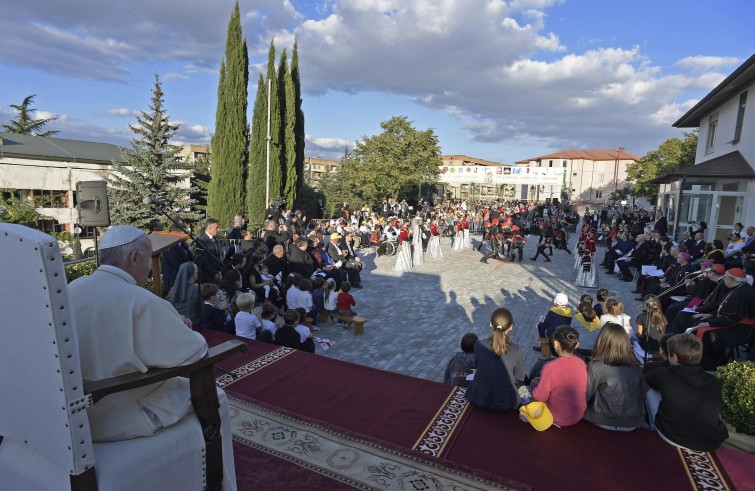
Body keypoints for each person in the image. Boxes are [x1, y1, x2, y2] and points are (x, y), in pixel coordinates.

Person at [67, 226, 237, 489]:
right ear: (134, 258)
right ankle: (219, 482)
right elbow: (195, 352)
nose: (150, 270)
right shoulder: (139, 299)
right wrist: (180, 326)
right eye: (148, 259)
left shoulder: (72, 288)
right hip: (122, 415)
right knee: (218, 396)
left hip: (78, 416)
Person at [645, 334, 728, 451]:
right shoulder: (714, 381)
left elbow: (647, 379)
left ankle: (653, 426)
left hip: (673, 436)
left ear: (674, 357)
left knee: (650, 389)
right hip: (709, 441)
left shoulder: (662, 374)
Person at [584, 323, 648, 431]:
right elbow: (643, 393)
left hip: (604, 419)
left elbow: (587, 395)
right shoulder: (636, 365)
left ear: (602, 341)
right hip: (633, 421)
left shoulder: (596, 366)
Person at [465, 308, 525, 410]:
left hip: (478, 397)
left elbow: (474, 369)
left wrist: (470, 386)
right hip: (505, 401)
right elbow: (520, 377)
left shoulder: (479, 344)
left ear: (490, 324)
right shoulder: (516, 350)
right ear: (511, 327)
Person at [530, 326, 588, 427]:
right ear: (577, 344)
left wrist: (533, 385)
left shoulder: (550, 367)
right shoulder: (581, 363)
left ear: (556, 344)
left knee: (526, 394)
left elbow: (540, 397)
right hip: (578, 414)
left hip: (556, 416)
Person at [168, 261, 199, 326]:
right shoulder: (196, 289)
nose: (197, 272)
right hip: (193, 323)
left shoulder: (175, 288)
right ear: (192, 273)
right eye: (196, 270)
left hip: (178, 321)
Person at [195, 217, 225, 284]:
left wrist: (220, 271)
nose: (218, 229)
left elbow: (218, 257)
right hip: (208, 278)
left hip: (217, 275)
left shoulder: (215, 240)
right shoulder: (202, 241)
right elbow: (204, 262)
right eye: (216, 228)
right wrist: (214, 274)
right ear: (210, 228)